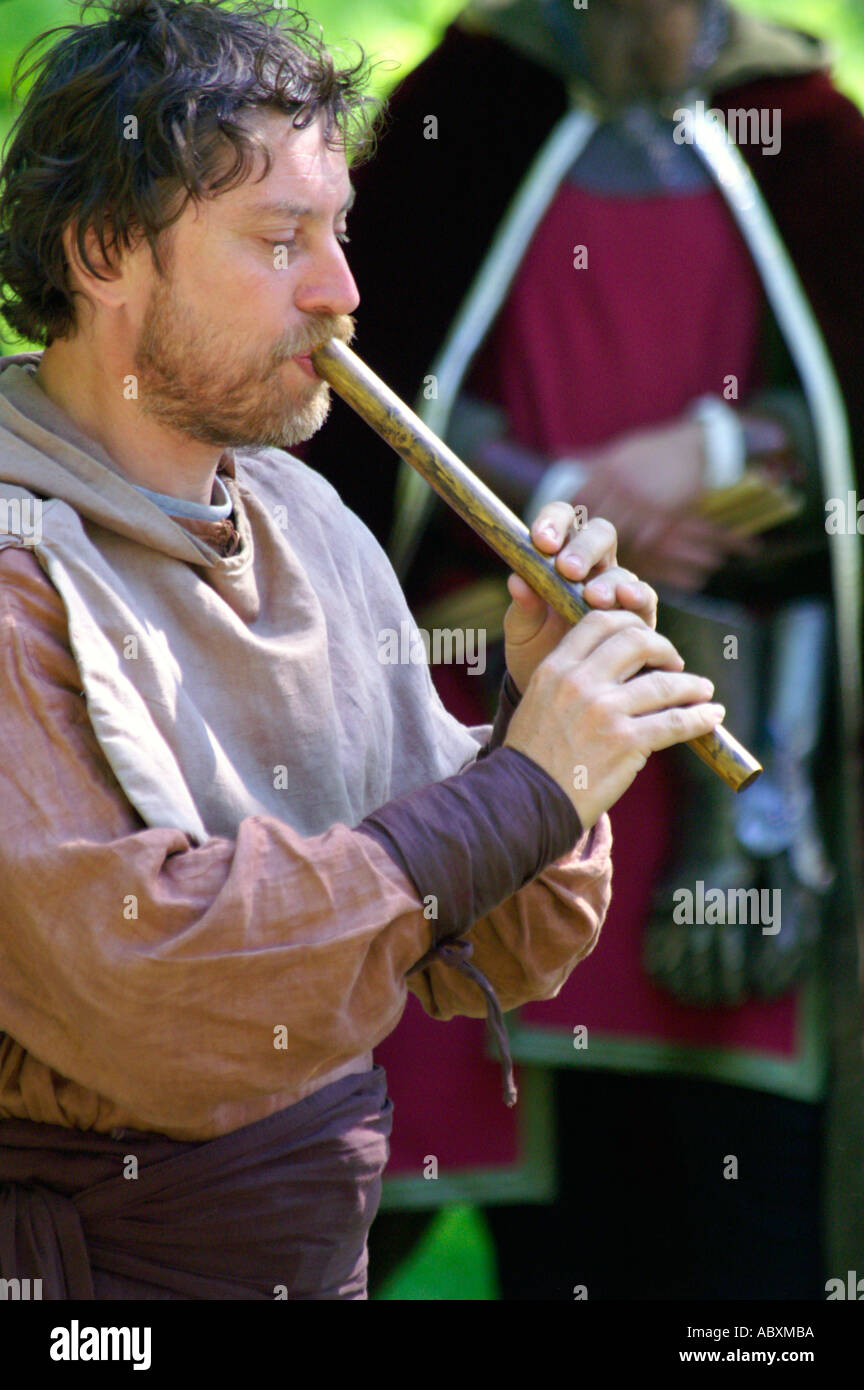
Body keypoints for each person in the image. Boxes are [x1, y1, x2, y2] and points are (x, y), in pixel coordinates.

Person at [0, 0, 725, 1300]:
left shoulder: (305, 513)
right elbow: (150, 999)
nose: (341, 293)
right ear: (106, 251)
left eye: (336, 233)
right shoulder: (13, 568)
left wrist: (540, 707)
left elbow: (494, 944)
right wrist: (526, 784)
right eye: (281, 241)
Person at [306, 0, 864, 1298]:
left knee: (745, 1231)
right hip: (481, 735)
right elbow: (351, 385)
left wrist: (729, 455)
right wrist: (553, 493)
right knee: (551, 1224)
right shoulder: (474, 110)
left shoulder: (813, 138)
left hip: (739, 760)